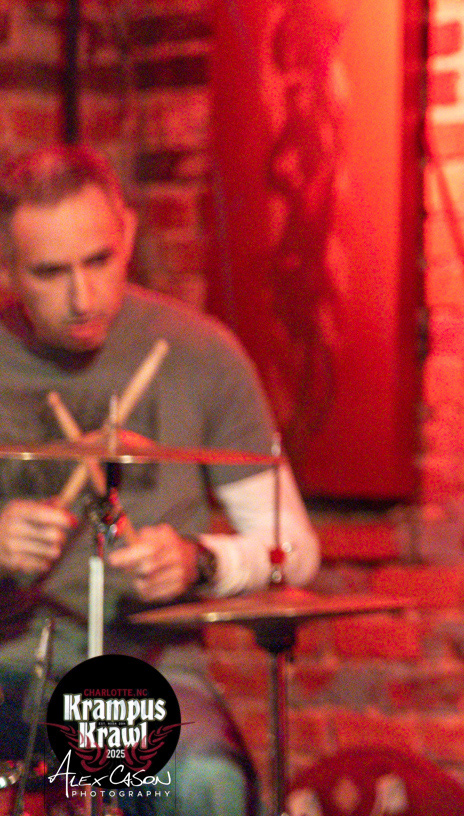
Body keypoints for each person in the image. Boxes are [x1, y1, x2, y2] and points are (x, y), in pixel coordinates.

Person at [0, 144, 320, 815]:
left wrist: (201, 562)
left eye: (99, 260)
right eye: (50, 272)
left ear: (129, 233)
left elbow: (295, 547)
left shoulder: (201, 354)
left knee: (205, 782)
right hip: (10, 669)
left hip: (141, 680)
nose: (82, 297)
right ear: (6, 265)